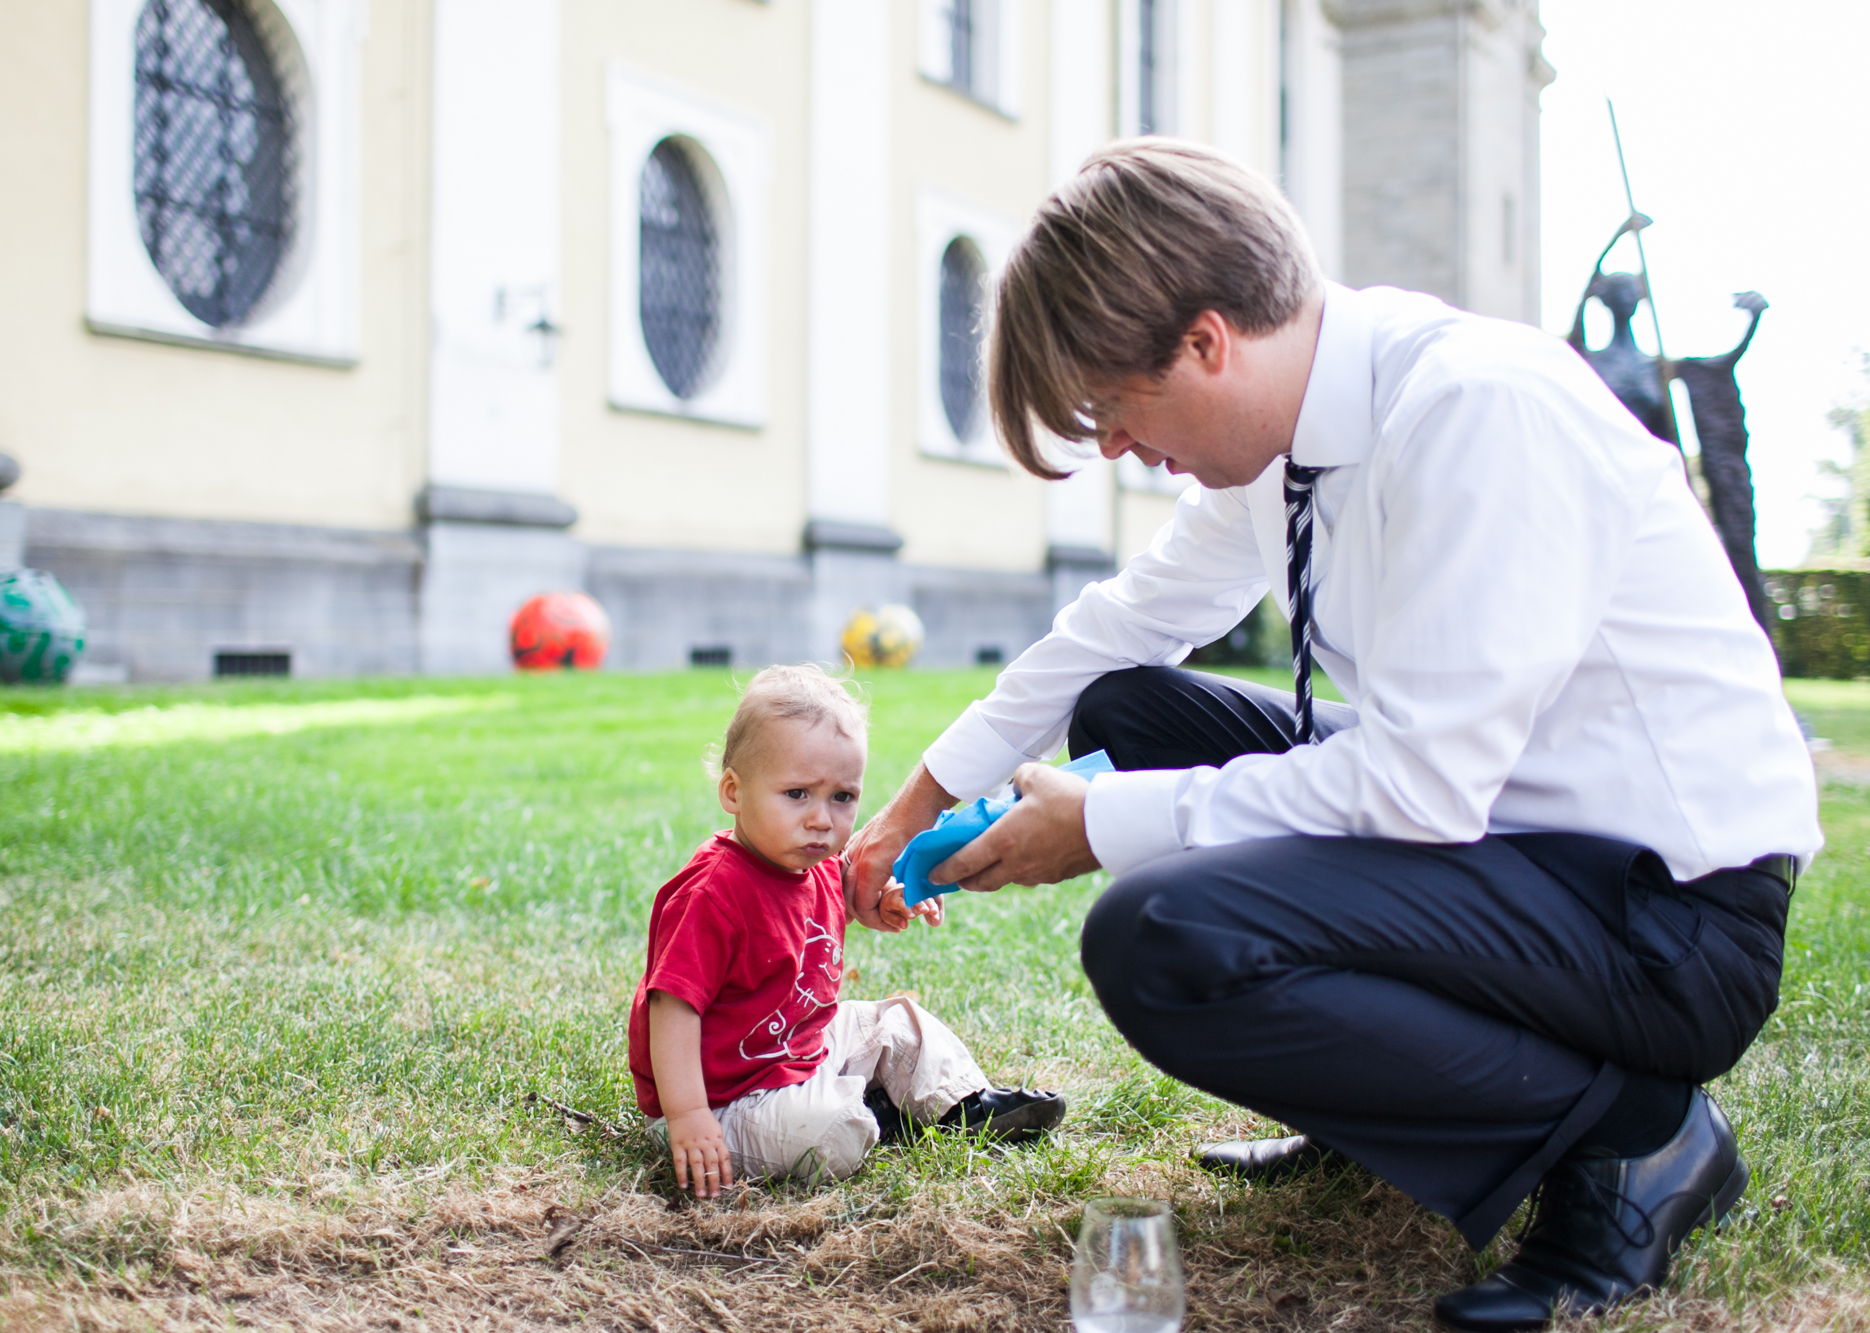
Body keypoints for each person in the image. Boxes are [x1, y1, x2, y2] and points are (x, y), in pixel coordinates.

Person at [842, 142, 1819, 1330]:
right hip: (1509, 842)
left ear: (1205, 343)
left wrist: (1100, 823)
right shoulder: (1289, 435)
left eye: (1110, 405)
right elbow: (1114, 628)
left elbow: (1422, 784)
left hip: (1663, 918)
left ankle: (1639, 1144)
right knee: (1125, 705)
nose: (1109, 446)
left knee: (1158, 934)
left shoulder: (1473, 410)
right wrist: (913, 802)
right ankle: (1375, 1103)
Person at [626, 664, 1066, 1197]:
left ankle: (963, 1106)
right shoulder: (712, 894)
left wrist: (886, 900)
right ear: (733, 791)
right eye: (796, 794)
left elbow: (835, 906)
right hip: (726, 1099)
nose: (821, 819)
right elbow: (671, 1008)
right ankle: (876, 1113)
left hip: (801, 1048)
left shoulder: (814, 867)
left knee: (898, 1022)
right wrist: (688, 1115)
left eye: (842, 797)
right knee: (828, 1132)